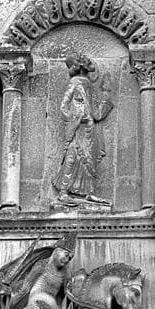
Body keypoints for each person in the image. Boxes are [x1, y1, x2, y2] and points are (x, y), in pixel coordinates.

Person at [53, 54, 113, 207]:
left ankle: (89, 192)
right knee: (72, 156)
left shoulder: (89, 84)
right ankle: (63, 193)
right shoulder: (74, 82)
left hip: (90, 128)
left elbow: (94, 111)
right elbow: (64, 107)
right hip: (78, 127)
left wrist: (106, 96)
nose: (89, 64)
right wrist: (76, 118)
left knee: (90, 159)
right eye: (86, 62)